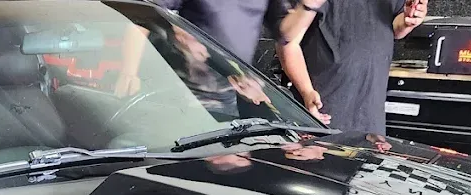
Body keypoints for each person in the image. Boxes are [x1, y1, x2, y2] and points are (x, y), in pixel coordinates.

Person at [276, 0, 428, 134]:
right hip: (323, 113)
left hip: (370, 115)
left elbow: (394, 28)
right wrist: (307, 92)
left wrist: (408, 20)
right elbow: (288, 43)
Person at [151, 0, 284, 65]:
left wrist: (305, 8)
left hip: (232, 89)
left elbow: (284, 35)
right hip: (184, 80)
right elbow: (146, 9)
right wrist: (130, 73)